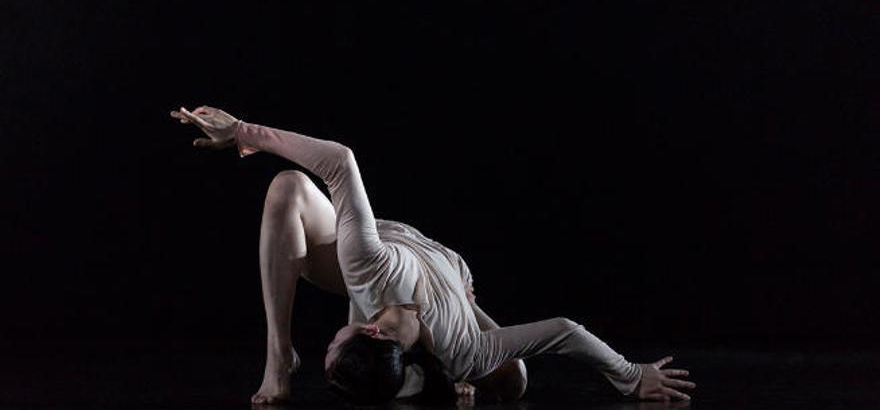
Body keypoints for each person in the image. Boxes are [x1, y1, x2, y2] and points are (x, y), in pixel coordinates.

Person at [169, 105, 696, 405]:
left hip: (418, 285)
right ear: (370, 332)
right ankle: (281, 356)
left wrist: (239, 133)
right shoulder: (381, 275)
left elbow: (340, 162)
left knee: (287, 188)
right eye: (333, 342)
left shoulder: (377, 286)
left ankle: (294, 362)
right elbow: (562, 328)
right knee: (511, 380)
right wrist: (628, 374)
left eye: (328, 345)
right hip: (428, 281)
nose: (330, 334)